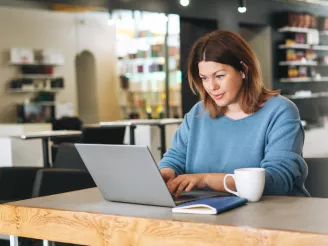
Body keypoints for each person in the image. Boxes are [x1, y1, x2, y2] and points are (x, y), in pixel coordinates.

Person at [158, 30, 310, 198]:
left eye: (219, 76)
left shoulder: (280, 112)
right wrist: (166, 172)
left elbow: (277, 180)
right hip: (210, 215)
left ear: (243, 69)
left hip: (273, 216)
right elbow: (176, 157)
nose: (211, 86)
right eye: (204, 78)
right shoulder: (198, 113)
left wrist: (206, 180)